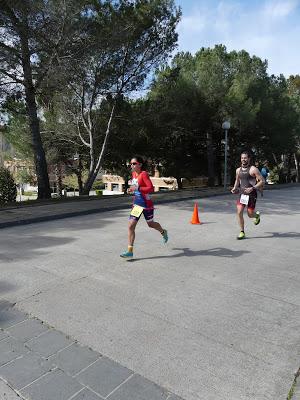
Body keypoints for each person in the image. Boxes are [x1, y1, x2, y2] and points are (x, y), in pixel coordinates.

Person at [120, 156, 168, 259]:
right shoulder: (133, 174)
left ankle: (163, 232)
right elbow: (136, 188)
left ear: (140, 164)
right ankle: (130, 251)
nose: (131, 165)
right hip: (137, 205)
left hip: (146, 205)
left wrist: (137, 188)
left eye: (134, 163)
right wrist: (131, 190)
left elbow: (150, 188)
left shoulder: (144, 174)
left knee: (151, 224)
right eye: (131, 164)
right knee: (130, 226)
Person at [231, 151, 265, 240]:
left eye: (245, 158)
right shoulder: (238, 170)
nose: (243, 159)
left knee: (250, 214)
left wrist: (253, 188)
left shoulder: (253, 169)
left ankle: (256, 216)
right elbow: (237, 180)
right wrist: (235, 188)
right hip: (243, 194)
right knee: (239, 212)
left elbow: (262, 181)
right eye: (242, 158)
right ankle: (242, 232)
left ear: (249, 159)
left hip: (252, 195)